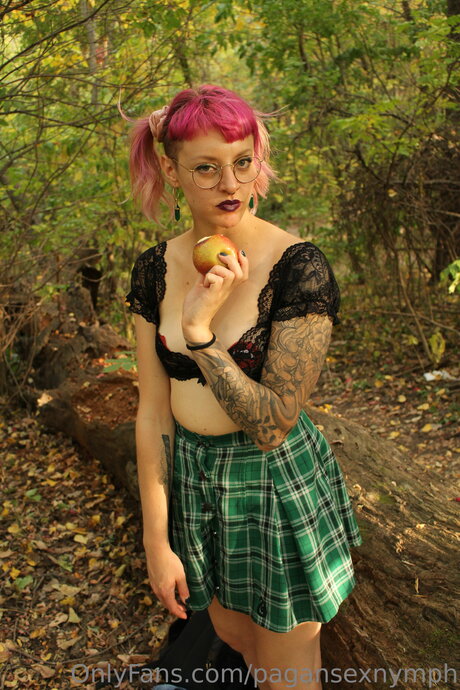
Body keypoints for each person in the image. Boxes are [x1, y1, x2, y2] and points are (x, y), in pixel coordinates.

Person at [123, 85, 362, 690]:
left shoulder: (297, 266)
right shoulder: (154, 268)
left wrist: (199, 334)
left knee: (288, 673)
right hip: (196, 481)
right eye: (206, 168)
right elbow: (153, 412)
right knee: (240, 643)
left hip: (272, 481)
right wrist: (156, 540)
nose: (230, 184)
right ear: (172, 172)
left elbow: (273, 423)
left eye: (242, 161)